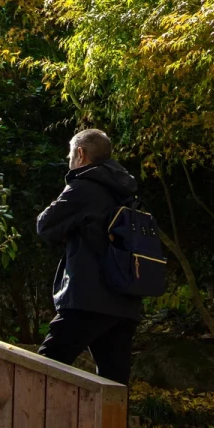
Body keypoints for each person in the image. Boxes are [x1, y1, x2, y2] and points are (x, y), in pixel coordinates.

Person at [36, 128, 141, 386]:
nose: (69, 161)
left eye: (70, 155)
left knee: (42, 370)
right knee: (114, 385)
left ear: (80, 154)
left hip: (87, 298)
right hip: (125, 301)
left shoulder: (83, 187)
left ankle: (32, 426)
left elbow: (44, 225)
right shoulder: (127, 193)